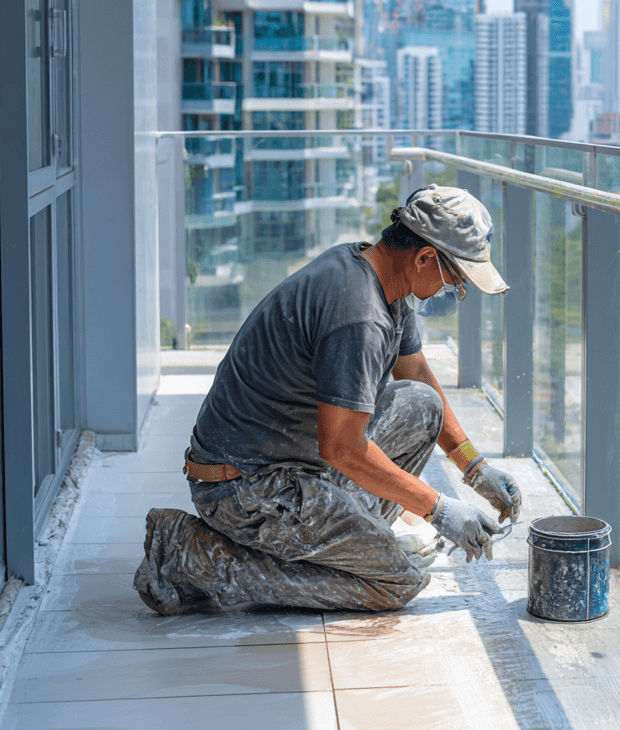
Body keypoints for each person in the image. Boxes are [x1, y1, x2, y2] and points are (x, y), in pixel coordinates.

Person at [134, 185, 522, 615]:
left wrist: (474, 467)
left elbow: (415, 374)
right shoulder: (358, 316)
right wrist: (439, 509)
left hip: (292, 459)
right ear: (424, 258)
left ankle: (344, 541)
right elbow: (341, 447)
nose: (455, 290)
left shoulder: (371, 270)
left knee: (422, 405)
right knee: (394, 583)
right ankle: (191, 555)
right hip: (246, 489)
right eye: (456, 279)